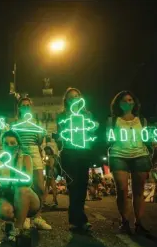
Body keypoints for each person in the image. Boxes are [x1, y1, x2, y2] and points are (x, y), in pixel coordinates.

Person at [107, 90, 153, 235]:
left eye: (130, 100)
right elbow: (109, 138)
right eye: (124, 100)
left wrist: (151, 150)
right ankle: (124, 221)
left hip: (140, 155)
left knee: (139, 191)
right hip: (118, 155)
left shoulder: (142, 120)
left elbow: (147, 138)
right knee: (122, 189)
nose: (128, 102)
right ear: (118, 104)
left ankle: (138, 223)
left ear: (134, 102)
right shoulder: (113, 120)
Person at [56, 87, 99, 232]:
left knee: (82, 184)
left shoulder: (88, 115)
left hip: (84, 151)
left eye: (76, 96)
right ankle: (79, 219)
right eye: (70, 97)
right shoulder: (62, 116)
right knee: (73, 185)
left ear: (80, 98)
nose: (74, 99)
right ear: (66, 100)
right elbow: (60, 134)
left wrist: (93, 127)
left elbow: (92, 130)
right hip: (69, 152)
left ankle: (76, 219)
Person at [0, 130, 41, 241]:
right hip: (8, 198)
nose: (9, 146)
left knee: (21, 190)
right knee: (4, 210)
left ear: (18, 144)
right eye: (6, 143)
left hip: (27, 199)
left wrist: (17, 164)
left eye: (13, 143)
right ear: (2, 145)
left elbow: (27, 182)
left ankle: (18, 227)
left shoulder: (26, 158)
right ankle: (17, 221)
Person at [11, 97, 51, 230]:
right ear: (19, 108)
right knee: (24, 185)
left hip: (34, 151)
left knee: (39, 185)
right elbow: (14, 141)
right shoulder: (16, 123)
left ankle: (37, 217)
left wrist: (42, 134)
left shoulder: (37, 122)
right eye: (23, 105)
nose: (26, 107)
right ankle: (26, 217)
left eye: (28, 105)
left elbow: (39, 141)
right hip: (21, 152)